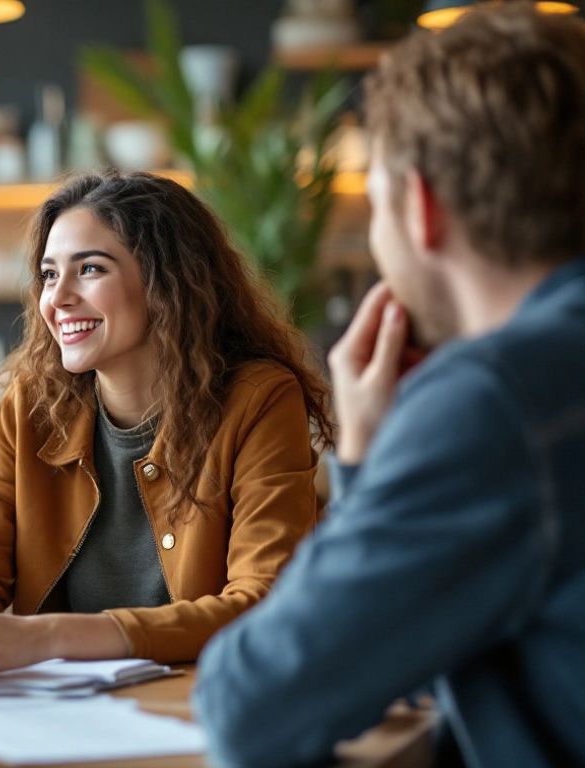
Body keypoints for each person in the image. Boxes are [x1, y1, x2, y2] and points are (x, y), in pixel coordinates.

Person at [193, 6, 585, 766]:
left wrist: (364, 460)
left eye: (375, 205)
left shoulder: (497, 401)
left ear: (422, 207)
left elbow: (250, 704)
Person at [0, 170, 334, 685]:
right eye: (47, 274)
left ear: (165, 283)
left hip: (206, 706)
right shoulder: (34, 406)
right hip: (57, 714)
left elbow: (263, 602)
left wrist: (51, 637)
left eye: (89, 269)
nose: (56, 299)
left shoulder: (258, 399)